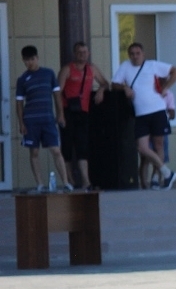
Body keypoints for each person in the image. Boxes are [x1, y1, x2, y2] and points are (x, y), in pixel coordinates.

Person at [111, 42, 176, 190]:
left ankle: (156, 178)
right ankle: (167, 172)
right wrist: (124, 87)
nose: (135, 56)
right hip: (141, 113)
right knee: (142, 147)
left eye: (138, 53)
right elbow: (114, 84)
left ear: (143, 54)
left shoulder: (152, 65)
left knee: (159, 145)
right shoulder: (125, 66)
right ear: (129, 55)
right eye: (132, 54)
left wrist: (166, 87)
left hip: (157, 110)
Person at [16, 45, 71, 192]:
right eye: (26, 60)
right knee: (34, 152)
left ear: (37, 58)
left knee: (56, 150)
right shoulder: (22, 79)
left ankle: (66, 182)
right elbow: (19, 103)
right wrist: (21, 123)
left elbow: (57, 95)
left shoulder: (49, 74)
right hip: (31, 121)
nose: (30, 62)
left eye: (32, 59)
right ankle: (40, 184)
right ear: (23, 60)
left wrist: (60, 114)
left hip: (48, 119)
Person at [57, 41, 110, 191]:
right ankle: (69, 180)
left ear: (89, 53)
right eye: (79, 52)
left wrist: (101, 91)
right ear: (75, 53)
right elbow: (57, 92)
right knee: (67, 146)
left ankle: (86, 181)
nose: (82, 55)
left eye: (85, 52)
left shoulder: (91, 69)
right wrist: (60, 114)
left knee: (82, 147)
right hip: (67, 111)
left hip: (83, 112)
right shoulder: (67, 69)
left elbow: (105, 83)